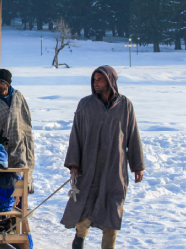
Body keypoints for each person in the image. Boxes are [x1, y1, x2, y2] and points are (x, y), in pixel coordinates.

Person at [60, 65, 145, 249]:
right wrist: (74, 164)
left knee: (112, 214)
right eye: (94, 80)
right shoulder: (85, 104)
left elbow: (132, 135)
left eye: (100, 79)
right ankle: (79, 239)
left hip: (115, 170)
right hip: (89, 170)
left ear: (111, 81)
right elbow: (76, 135)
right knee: (85, 210)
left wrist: (137, 166)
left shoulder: (125, 105)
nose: (96, 83)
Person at [0, 69, 35, 193]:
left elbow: (25, 122)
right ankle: (1, 209)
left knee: (20, 177)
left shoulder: (18, 97)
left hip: (18, 146)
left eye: (1, 82)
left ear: (7, 84)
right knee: (1, 182)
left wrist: (26, 140)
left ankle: (19, 209)